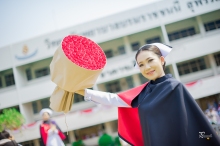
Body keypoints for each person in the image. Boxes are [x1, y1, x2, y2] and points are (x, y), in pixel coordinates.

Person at [76, 43, 220, 146]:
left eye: (150, 61)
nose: (147, 67)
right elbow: (113, 99)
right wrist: (83, 91)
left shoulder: (175, 88)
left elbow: (195, 125)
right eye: (141, 64)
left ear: (162, 60)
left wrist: (207, 139)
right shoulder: (143, 91)